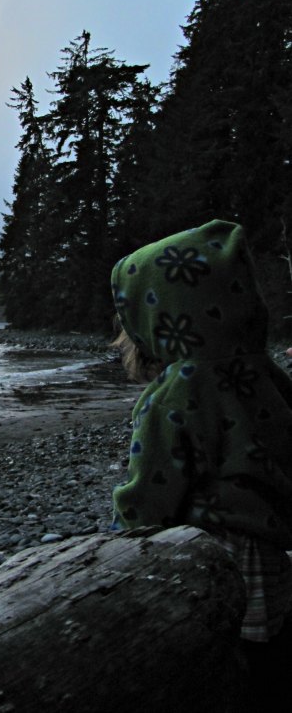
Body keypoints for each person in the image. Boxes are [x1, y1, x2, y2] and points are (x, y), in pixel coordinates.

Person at [110, 220, 292, 674]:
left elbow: (152, 488)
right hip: (275, 555)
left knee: (220, 666)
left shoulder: (177, 392)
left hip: (213, 556)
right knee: (270, 658)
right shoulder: (266, 374)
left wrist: (117, 548)